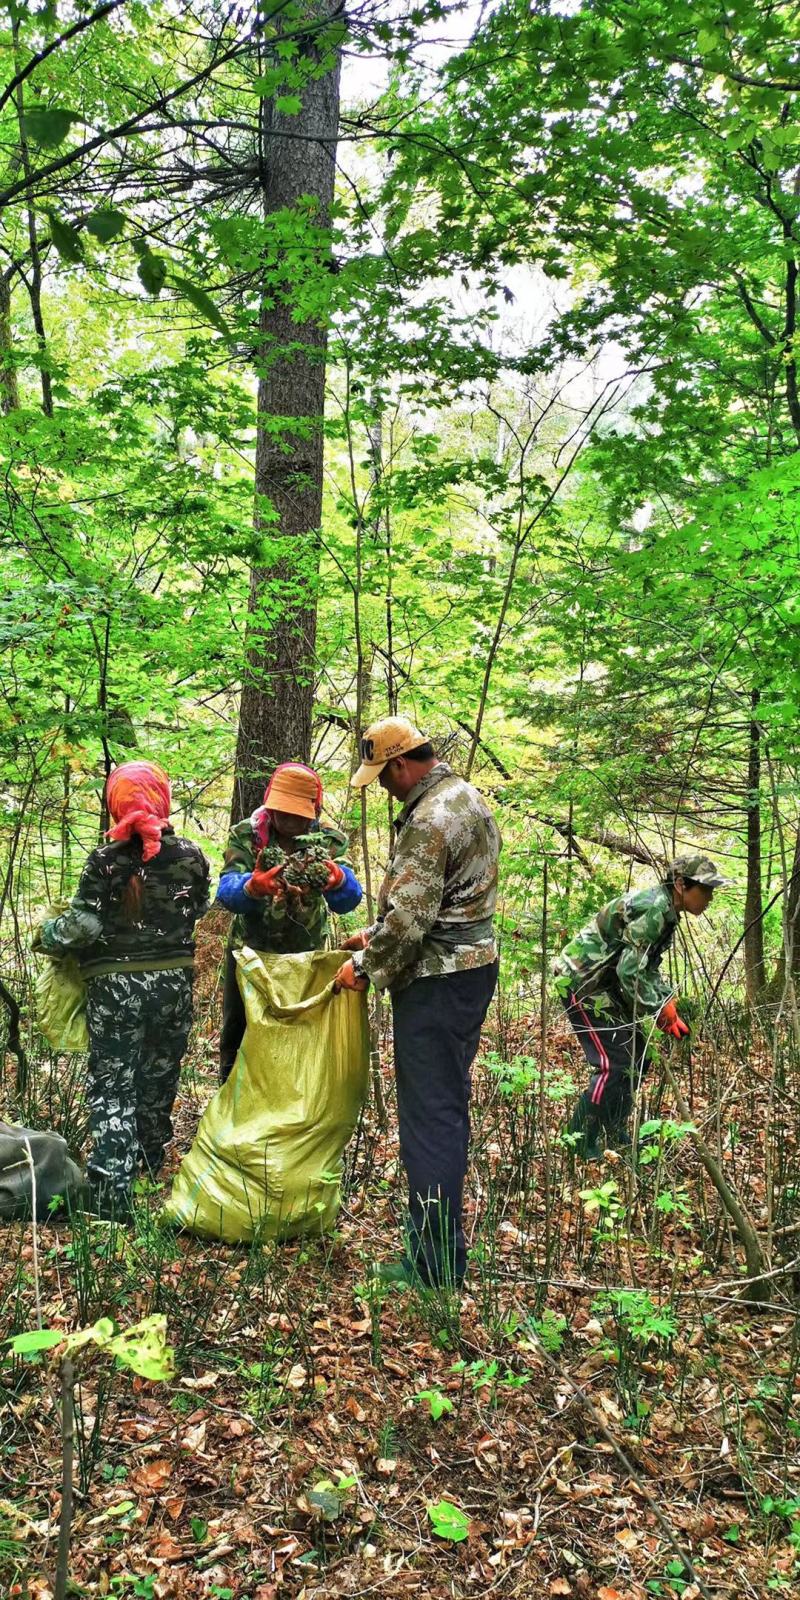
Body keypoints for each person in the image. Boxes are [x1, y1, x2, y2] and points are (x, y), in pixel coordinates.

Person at [336, 716, 501, 1289]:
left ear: (404, 763)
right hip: (469, 970)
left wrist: (364, 966)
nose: (382, 786)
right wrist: (377, 933)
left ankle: (433, 1264)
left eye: (384, 775)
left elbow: (410, 920)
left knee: (430, 1119)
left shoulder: (430, 819)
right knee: (446, 1109)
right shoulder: (466, 796)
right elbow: (442, 903)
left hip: (436, 982)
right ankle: (442, 1249)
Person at [38, 761, 210, 1219]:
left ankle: (113, 1197)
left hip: (115, 987)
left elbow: (84, 927)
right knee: (159, 1074)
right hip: (174, 982)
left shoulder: (104, 860)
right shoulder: (192, 855)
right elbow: (199, 909)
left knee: (115, 1084)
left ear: (116, 802)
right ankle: (150, 1165)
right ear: (161, 797)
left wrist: (49, 935)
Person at [553, 854, 727, 1159]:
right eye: (706, 889)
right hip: (579, 981)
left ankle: (614, 1131)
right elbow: (629, 972)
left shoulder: (667, 911)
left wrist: (664, 1002)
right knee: (614, 1063)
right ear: (681, 885)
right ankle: (579, 1140)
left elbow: (646, 968)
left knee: (639, 1057)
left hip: (602, 983)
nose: (710, 897)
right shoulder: (655, 910)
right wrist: (658, 1009)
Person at [215, 761, 363, 1082]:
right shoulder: (247, 835)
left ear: (314, 810)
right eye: (283, 812)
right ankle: (233, 1105)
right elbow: (226, 890)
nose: (290, 820)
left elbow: (349, 899)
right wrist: (251, 887)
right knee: (237, 1035)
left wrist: (337, 880)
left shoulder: (327, 842)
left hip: (303, 957)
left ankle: (286, 1110)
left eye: (298, 814)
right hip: (249, 954)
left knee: (295, 1035)